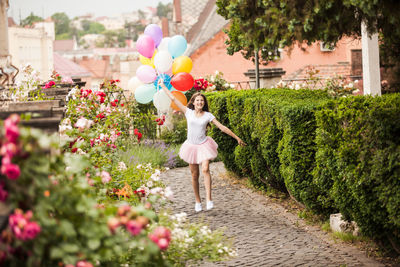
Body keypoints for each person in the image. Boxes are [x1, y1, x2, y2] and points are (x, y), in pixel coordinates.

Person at [159, 82, 246, 212]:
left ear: (204, 103)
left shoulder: (208, 116)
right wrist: (163, 86)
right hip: (191, 147)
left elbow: (222, 127)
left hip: (204, 145)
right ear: (193, 102)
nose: (200, 102)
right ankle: (198, 201)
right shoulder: (188, 112)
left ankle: (209, 199)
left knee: (205, 169)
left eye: (202, 101)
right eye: (197, 100)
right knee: (195, 175)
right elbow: (173, 98)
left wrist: (237, 138)